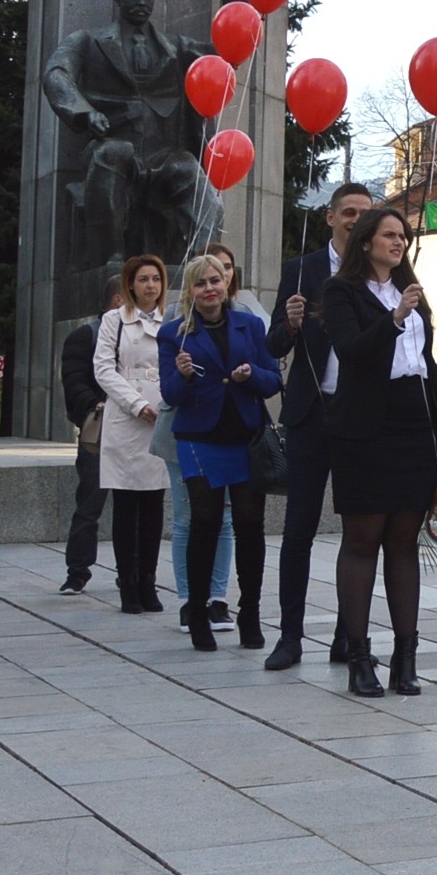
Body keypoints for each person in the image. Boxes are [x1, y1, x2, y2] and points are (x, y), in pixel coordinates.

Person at [318, 206, 437, 697]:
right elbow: (353, 351)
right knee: (362, 542)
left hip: (411, 425)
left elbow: (428, 369)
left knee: (404, 543)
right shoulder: (341, 292)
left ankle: (407, 658)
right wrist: (394, 318)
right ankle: (359, 656)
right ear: (365, 242)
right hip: (363, 427)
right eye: (388, 235)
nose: (398, 242)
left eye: (402, 235)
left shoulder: (413, 295)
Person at [267, 181, 371, 670]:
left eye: (363, 213)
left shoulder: (380, 274)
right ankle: (289, 637)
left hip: (359, 420)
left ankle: (346, 637)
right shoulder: (301, 269)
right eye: (348, 212)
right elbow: (273, 348)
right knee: (298, 532)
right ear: (331, 218)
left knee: (358, 535)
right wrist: (288, 325)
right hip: (310, 418)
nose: (355, 220)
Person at [158, 251, 283, 652]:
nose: (210, 288)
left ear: (227, 284)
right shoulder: (173, 333)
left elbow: (271, 381)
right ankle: (197, 612)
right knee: (205, 521)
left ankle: (250, 613)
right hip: (199, 437)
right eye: (201, 283)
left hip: (245, 437)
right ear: (190, 292)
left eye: (215, 280)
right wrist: (179, 373)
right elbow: (170, 394)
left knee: (250, 526)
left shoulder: (249, 325)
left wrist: (250, 376)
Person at [92, 254, 174, 614]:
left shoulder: (171, 320)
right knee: (126, 505)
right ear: (130, 284)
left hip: (162, 417)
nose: (150, 286)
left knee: (154, 504)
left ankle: (148, 581)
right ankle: (127, 584)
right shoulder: (115, 321)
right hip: (127, 418)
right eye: (143, 279)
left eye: (155, 279)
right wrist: (136, 404)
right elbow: (104, 370)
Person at [59, 288, 109, 594]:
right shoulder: (85, 336)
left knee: (139, 506)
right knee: (89, 503)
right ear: (118, 299)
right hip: (99, 430)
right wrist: (95, 408)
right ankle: (77, 571)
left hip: (136, 429)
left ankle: (133, 572)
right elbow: (74, 382)